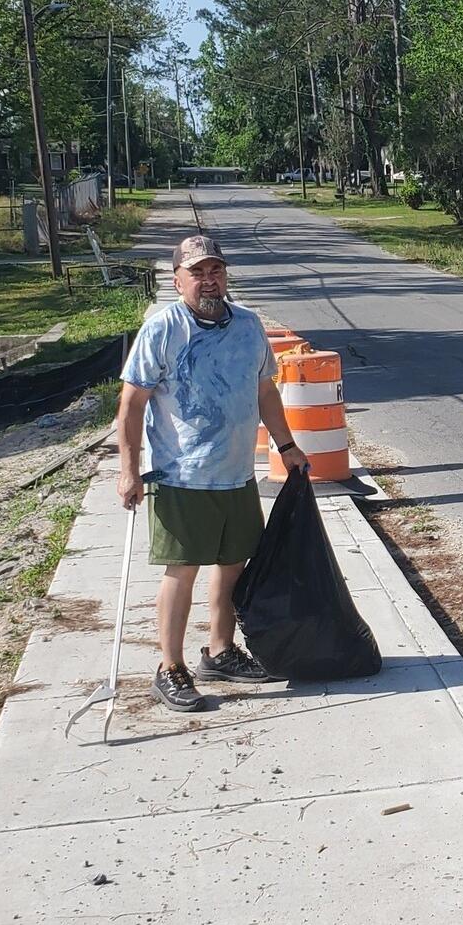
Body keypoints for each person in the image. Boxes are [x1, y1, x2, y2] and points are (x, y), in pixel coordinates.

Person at [116, 234, 309, 712]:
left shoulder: (248, 325)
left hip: (237, 473)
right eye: (197, 272)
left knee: (234, 562)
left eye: (215, 270)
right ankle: (169, 667)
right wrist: (129, 470)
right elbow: (132, 404)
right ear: (177, 280)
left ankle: (220, 652)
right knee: (182, 570)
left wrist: (287, 446)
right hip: (181, 476)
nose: (208, 280)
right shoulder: (163, 329)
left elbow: (265, 391)